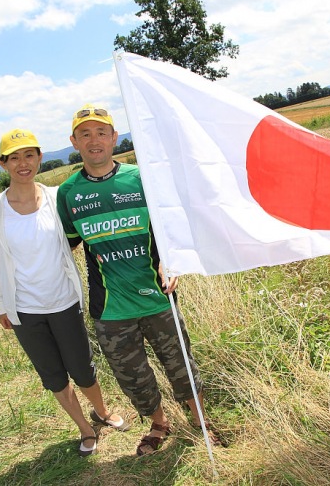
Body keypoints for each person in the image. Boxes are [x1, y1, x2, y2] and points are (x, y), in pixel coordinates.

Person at [57, 104, 222, 456]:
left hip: (157, 297)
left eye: (102, 132)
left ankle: (200, 420)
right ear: (74, 142)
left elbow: (170, 230)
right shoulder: (68, 193)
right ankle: (159, 424)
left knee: (182, 367)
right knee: (134, 378)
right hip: (111, 309)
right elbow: (65, 246)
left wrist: (171, 263)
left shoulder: (141, 178)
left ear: (114, 137)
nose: (94, 140)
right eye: (85, 134)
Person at [0, 128, 128, 457]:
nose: (23, 163)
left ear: (39, 158)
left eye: (29, 155)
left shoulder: (56, 196)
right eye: (14, 157)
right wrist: (2, 305)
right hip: (24, 309)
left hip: (64, 300)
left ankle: (102, 412)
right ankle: (85, 429)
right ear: (2, 163)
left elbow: (82, 233)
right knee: (53, 375)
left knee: (82, 368)